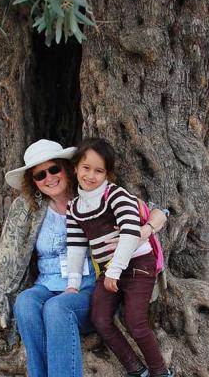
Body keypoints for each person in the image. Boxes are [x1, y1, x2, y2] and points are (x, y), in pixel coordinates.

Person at [0, 139, 167, 377]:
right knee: (25, 302)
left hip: (89, 285)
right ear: (33, 182)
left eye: (54, 169)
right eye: (40, 175)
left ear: (67, 168)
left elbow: (155, 210)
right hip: (47, 283)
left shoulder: (93, 195)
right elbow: (10, 258)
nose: (49, 178)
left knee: (57, 308)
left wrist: (145, 230)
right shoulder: (28, 209)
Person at [66, 138, 174, 377]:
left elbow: (129, 233)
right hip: (109, 269)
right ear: (75, 168)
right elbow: (75, 245)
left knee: (135, 320)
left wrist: (114, 270)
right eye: (86, 168)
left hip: (137, 265)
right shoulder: (74, 207)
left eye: (99, 170)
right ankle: (135, 369)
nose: (91, 175)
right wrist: (73, 283)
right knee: (100, 319)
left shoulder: (116, 196)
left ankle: (160, 371)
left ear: (107, 173)